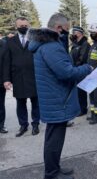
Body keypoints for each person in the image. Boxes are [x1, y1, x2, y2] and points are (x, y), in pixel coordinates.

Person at [28, 13, 92, 179]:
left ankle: (54, 168)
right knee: (54, 140)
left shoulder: (45, 44)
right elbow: (66, 72)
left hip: (54, 98)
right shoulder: (51, 46)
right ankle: (51, 173)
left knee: (54, 138)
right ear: (58, 28)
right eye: (66, 30)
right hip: (57, 99)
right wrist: (87, 69)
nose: (67, 34)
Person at [3, 17, 40, 137]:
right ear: (16, 26)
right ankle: (23, 125)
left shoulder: (35, 39)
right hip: (18, 77)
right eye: (21, 25)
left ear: (28, 26)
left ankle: (35, 125)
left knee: (35, 102)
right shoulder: (10, 41)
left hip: (34, 76)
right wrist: (7, 79)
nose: (23, 27)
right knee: (20, 103)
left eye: (25, 25)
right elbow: (6, 61)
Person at [70, 26, 90, 116]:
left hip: (80, 69)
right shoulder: (75, 43)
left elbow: (83, 58)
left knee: (81, 91)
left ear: (79, 33)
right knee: (77, 91)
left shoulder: (85, 44)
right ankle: (78, 108)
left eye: (74, 32)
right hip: (75, 69)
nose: (73, 34)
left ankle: (83, 109)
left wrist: (76, 67)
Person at [0, 38, 8, 133]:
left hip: (1, 81)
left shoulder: (3, 45)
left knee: (0, 105)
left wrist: (6, 80)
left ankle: (1, 125)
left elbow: (6, 64)